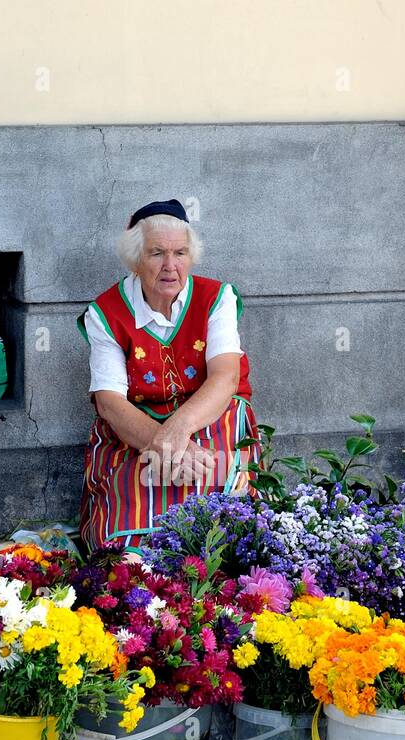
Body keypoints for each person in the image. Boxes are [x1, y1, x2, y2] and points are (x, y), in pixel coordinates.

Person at [76, 199, 262, 556]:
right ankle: (135, 574)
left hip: (208, 412)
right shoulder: (106, 313)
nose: (170, 266)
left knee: (213, 475)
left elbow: (225, 378)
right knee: (132, 492)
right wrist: (167, 444)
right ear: (135, 258)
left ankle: (217, 570)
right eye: (157, 253)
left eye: (180, 253)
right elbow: (110, 403)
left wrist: (178, 432)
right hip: (137, 424)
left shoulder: (215, 298)